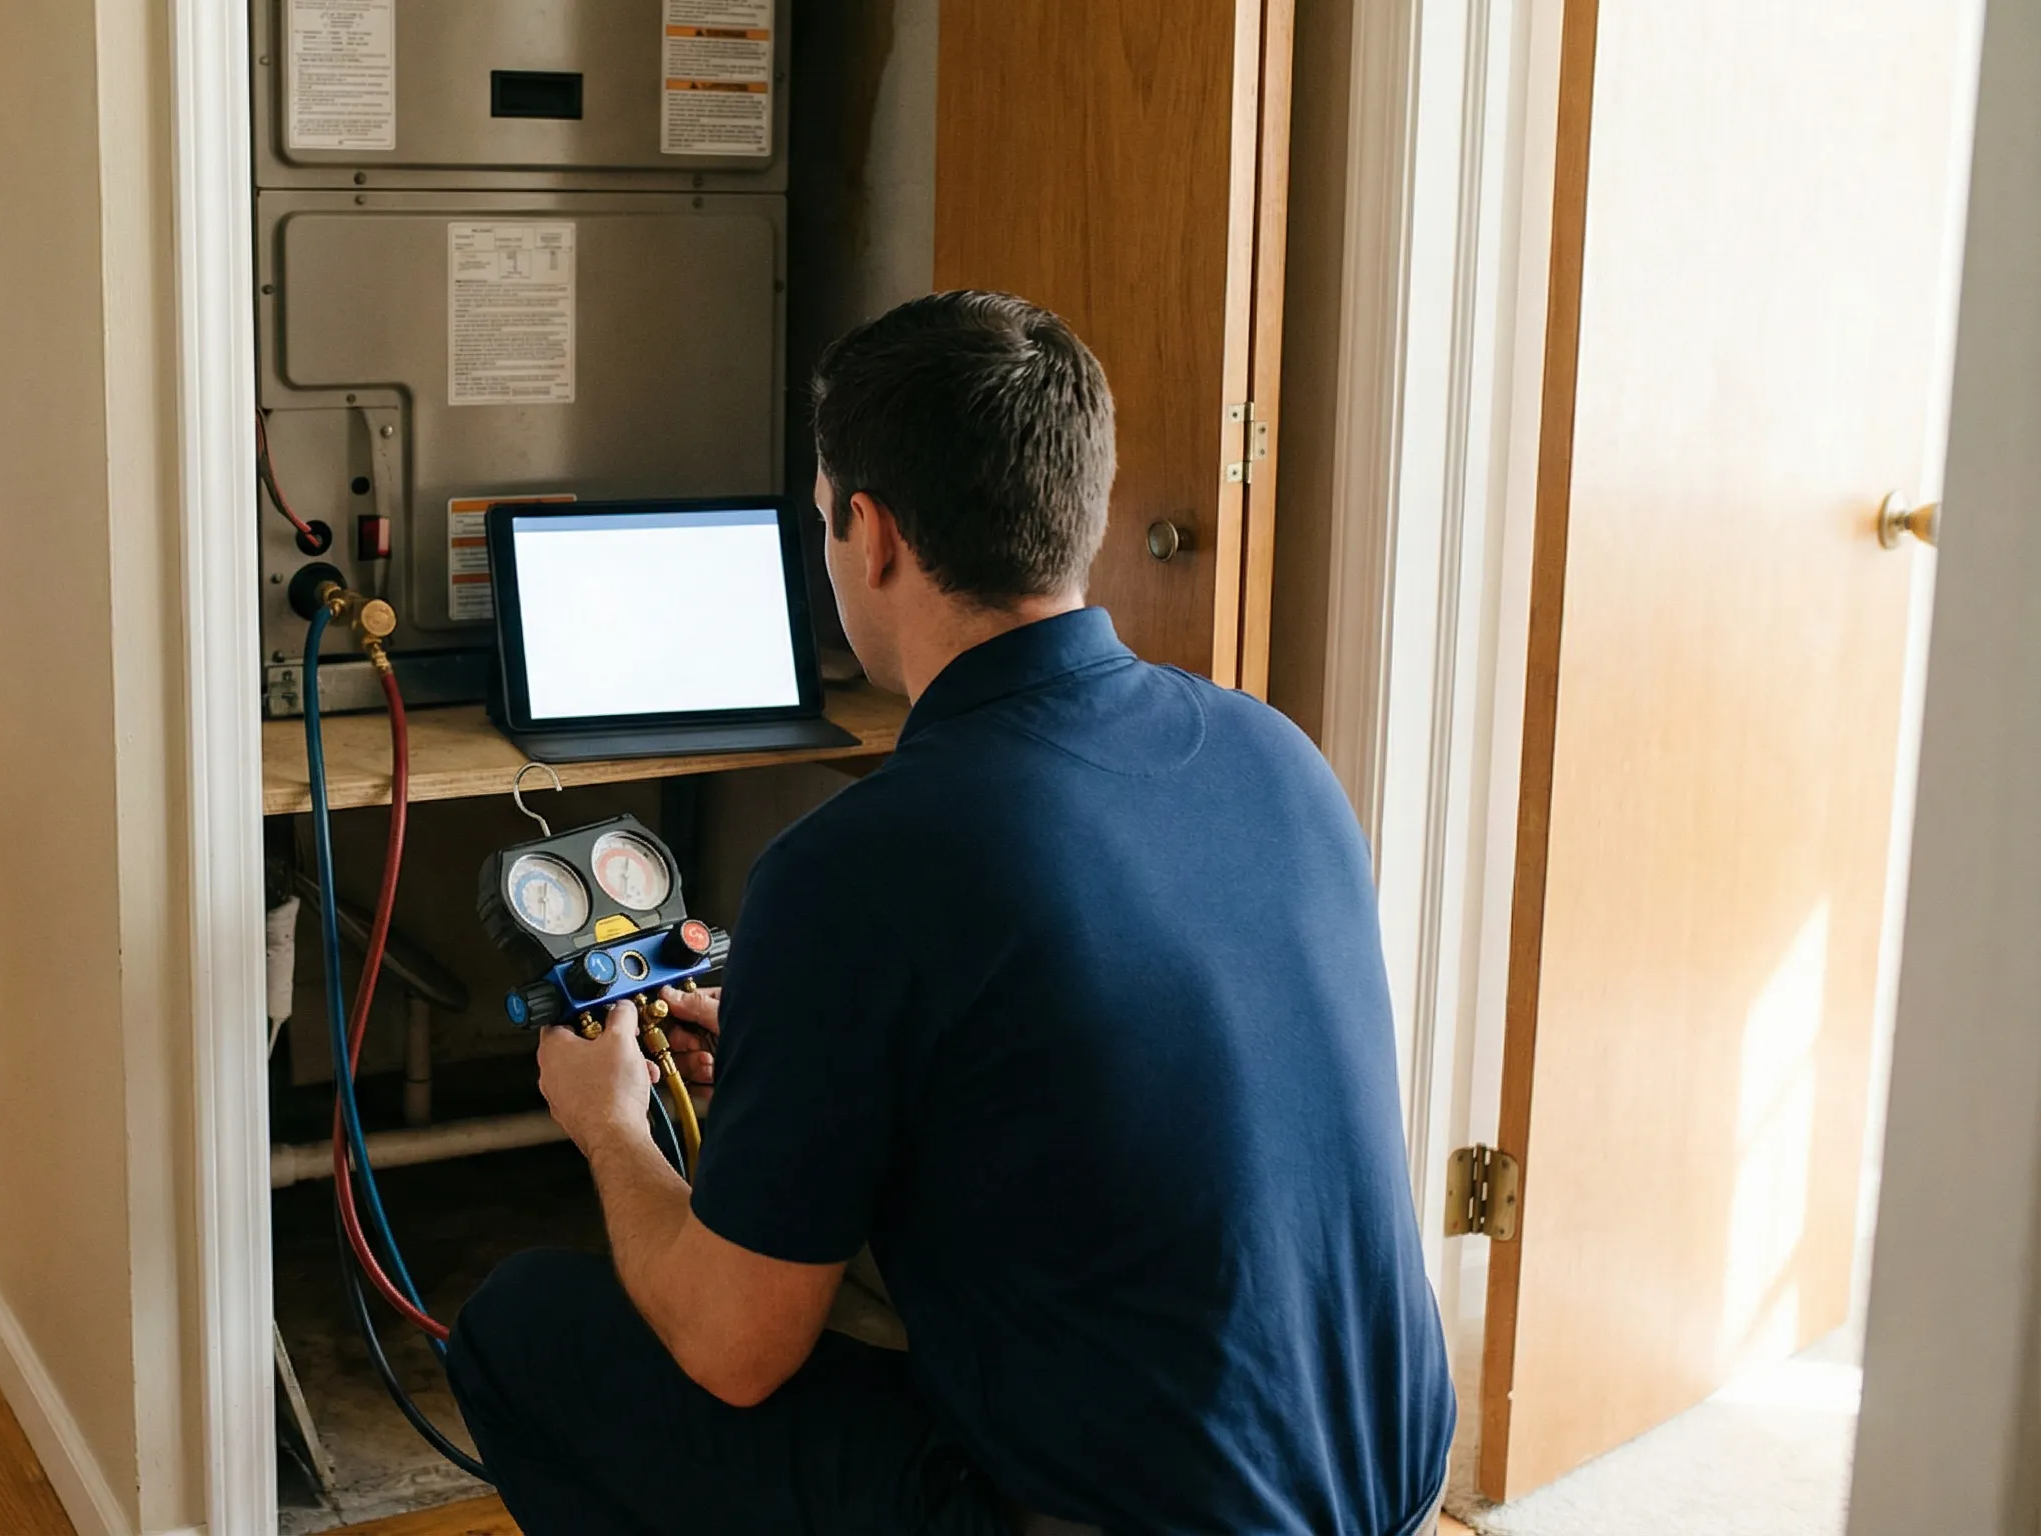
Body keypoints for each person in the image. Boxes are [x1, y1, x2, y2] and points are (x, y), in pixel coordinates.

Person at [445, 291, 1454, 1534]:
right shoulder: (1271, 752)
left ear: (871, 535)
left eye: (823, 524)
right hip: (1388, 1488)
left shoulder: (857, 864)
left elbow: (732, 1348)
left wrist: (610, 1128)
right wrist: (793, 1051)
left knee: (524, 1327)